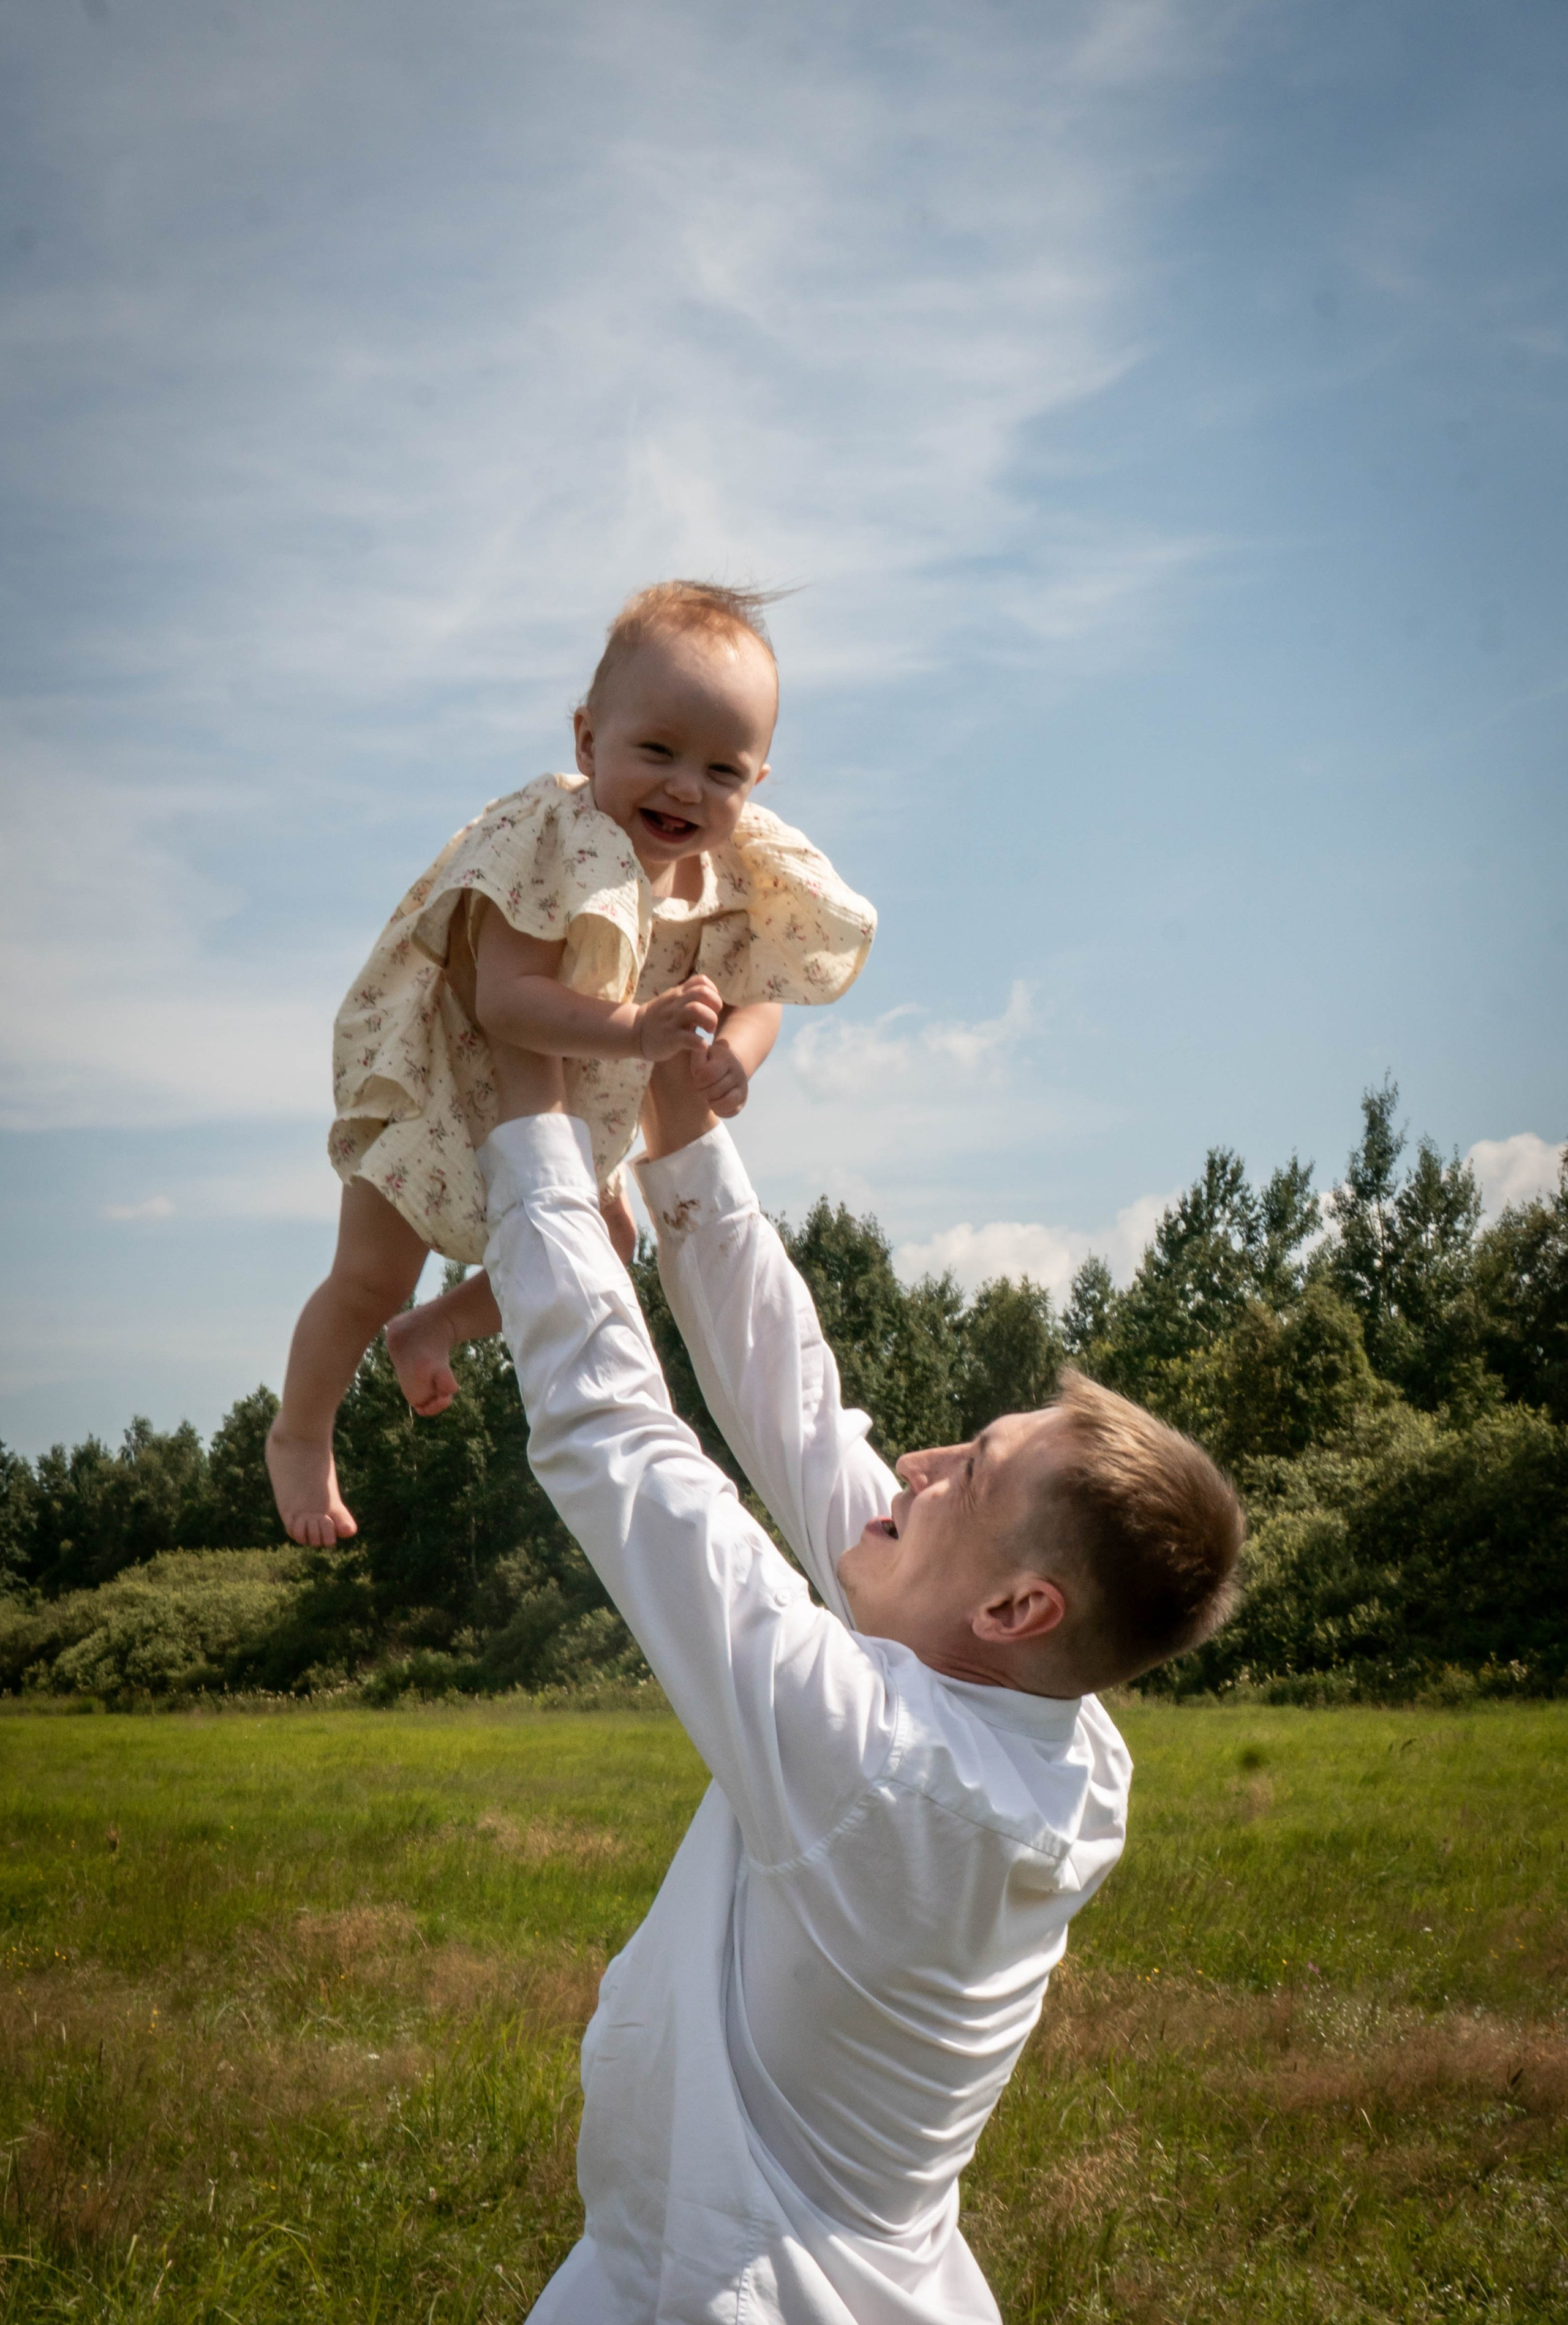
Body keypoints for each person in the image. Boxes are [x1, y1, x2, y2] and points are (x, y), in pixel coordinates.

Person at [477, 1038, 1245, 2324]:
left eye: (972, 1469)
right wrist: (674, 1114)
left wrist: (531, 1114)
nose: (922, 1462)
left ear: (1014, 1605)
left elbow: (620, 1441)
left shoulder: (883, 1771)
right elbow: (799, 1410)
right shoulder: (1054, 1731)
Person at [266, 581, 876, 1547]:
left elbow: (762, 989)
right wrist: (638, 1030)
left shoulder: (736, 876)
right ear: (589, 741)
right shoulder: (552, 841)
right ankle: (301, 1433)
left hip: (570, 1128)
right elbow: (507, 1001)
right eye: (658, 752)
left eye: (723, 768)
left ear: (757, 782)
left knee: (607, 1244)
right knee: (371, 1279)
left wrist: (736, 1058)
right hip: (449, 1096)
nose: (687, 787)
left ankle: (437, 1331)